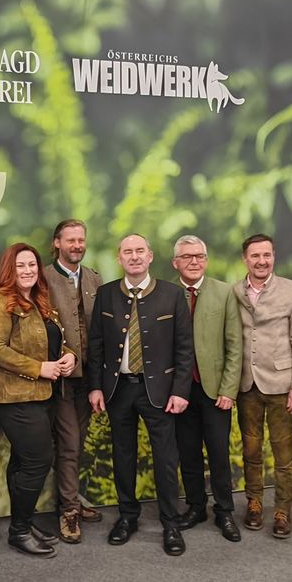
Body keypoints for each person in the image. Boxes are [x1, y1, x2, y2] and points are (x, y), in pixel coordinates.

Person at [88, 234, 193, 556]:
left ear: (150, 256)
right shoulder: (106, 294)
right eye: (127, 252)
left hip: (159, 391)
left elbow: (185, 348)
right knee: (123, 455)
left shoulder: (172, 295)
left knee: (165, 459)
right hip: (118, 388)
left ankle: (170, 524)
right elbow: (96, 344)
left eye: (139, 251)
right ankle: (127, 517)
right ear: (119, 258)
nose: (134, 257)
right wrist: (95, 386)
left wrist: (180, 390)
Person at [0, 243, 75, 558]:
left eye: (32, 265)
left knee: (23, 461)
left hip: (43, 395)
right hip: (14, 397)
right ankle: (19, 531)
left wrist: (69, 356)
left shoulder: (40, 300)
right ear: (9, 269)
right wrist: (39, 368)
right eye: (20, 265)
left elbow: (54, 340)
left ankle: (23, 522)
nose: (27, 271)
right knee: (38, 461)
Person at [232, 234, 292, 539]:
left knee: (283, 454)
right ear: (245, 259)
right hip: (246, 384)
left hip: (280, 384)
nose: (261, 261)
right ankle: (254, 502)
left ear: (274, 257)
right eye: (255, 256)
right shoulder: (234, 292)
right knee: (251, 449)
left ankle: (282, 510)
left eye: (266, 255)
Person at [171, 235, 244, 542]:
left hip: (215, 390)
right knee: (187, 453)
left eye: (199, 256)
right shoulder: (166, 294)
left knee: (218, 453)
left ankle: (224, 510)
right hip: (180, 390)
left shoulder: (224, 292)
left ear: (206, 260)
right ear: (175, 263)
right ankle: (196, 506)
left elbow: (235, 345)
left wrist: (229, 390)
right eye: (187, 257)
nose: (194, 261)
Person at [42, 219, 103, 543]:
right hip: (60, 379)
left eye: (81, 239)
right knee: (68, 443)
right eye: (70, 240)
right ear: (57, 243)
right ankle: (69, 511)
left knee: (76, 443)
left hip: (89, 377)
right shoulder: (43, 278)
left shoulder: (94, 277)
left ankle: (70, 498)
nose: (77, 245)